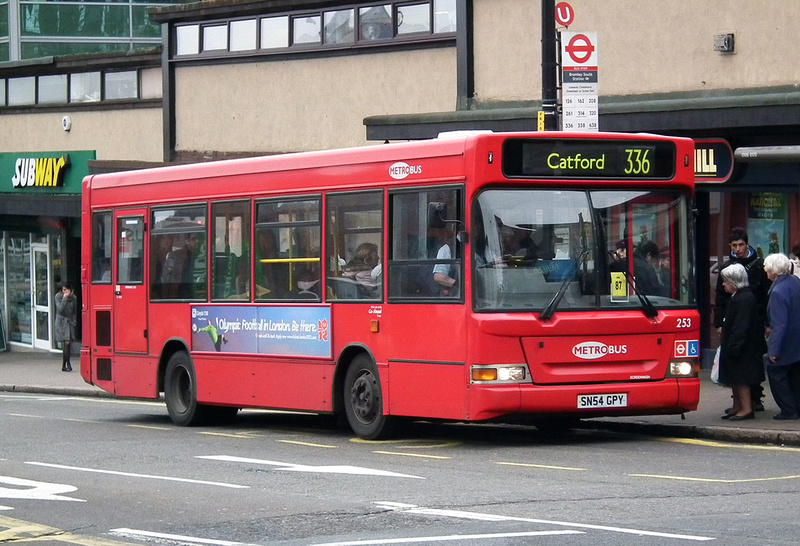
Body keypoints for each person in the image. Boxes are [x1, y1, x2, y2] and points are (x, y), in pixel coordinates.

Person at [713, 227, 770, 411]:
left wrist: (767, 322)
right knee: (736, 362)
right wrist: (719, 323)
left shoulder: (759, 265)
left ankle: (755, 398)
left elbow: (765, 295)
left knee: (751, 359)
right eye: (734, 245)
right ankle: (739, 402)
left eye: (741, 245)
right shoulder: (727, 268)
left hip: (756, 317)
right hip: (733, 317)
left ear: (747, 244)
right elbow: (720, 298)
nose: (738, 249)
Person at [717, 264, 764, 421]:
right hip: (739, 346)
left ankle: (746, 408)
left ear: (734, 281)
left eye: (726, 281)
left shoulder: (743, 299)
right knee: (735, 379)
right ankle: (737, 406)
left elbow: (741, 326)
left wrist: (734, 346)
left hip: (743, 348)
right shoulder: (739, 296)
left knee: (741, 379)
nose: (723, 284)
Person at [763, 253, 800, 420]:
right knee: (794, 375)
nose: (766, 272)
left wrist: (773, 351)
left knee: (776, 371)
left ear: (773, 271)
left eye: (767, 269)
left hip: (786, 341)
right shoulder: (795, 282)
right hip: (797, 339)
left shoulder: (777, 291)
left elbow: (779, 324)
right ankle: (796, 407)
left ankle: (788, 409)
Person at [54, 283, 78, 372]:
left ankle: (67, 363)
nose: (65, 291)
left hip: (70, 321)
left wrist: (74, 322)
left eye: (67, 290)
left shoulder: (74, 298)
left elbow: (75, 311)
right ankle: (66, 364)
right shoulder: (58, 296)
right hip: (61, 322)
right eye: (63, 290)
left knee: (68, 343)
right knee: (66, 343)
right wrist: (64, 298)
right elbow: (60, 309)